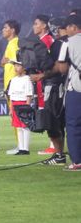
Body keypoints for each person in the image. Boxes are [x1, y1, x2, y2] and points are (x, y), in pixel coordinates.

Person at [34, 16, 69, 164]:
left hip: (55, 86)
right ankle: (59, 155)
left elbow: (58, 67)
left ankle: (60, 155)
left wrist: (41, 75)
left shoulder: (57, 44)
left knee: (53, 121)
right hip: (63, 86)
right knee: (62, 122)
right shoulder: (64, 43)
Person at [31, 14, 58, 156]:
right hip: (43, 83)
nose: (34, 26)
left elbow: (48, 64)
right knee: (46, 112)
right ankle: (52, 145)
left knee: (50, 113)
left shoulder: (47, 40)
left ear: (44, 26)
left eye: (36, 23)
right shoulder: (42, 40)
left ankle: (54, 147)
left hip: (48, 82)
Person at [57, 13, 81, 171]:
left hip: (76, 87)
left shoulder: (67, 42)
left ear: (73, 27)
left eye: (67, 27)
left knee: (73, 125)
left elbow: (62, 67)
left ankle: (77, 161)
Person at [6, 60, 33, 156]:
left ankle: (26, 148)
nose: (15, 68)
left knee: (25, 126)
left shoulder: (27, 79)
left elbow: (29, 95)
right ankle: (21, 148)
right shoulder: (13, 80)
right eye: (15, 66)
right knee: (18, 127)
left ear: (24, 68)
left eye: (18, 66)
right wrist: (10, 109)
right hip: (15, 105)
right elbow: (11, 96)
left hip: (23, 104)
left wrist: (27, 106)